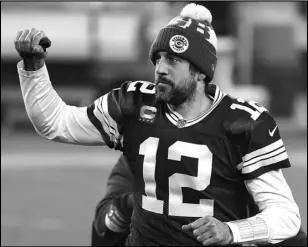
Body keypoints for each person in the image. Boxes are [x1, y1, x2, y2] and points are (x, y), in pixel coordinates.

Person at [15, 3, 301, 246]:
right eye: (159, 58)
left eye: (174, 59)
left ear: (201, 72)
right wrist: (34, 68)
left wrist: (231, 231)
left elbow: (285, 215)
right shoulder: (133, 103)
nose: (161, 68)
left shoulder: (243, 122)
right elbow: (55, 123)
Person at [91, 154, 307, 246]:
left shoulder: (236, 158)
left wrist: (234, 231)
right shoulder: (139, 157)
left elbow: (288, 233)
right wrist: (139, 202)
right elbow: (103, 227)